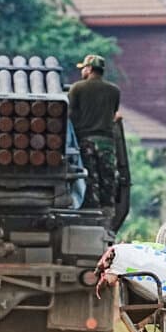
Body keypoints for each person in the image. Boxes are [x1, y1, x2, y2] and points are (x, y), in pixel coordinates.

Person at [67, 54, 121, 213]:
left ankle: (90, 208)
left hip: (86, 140)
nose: (82, 71)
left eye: (83, 68)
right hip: (107, 141)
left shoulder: (77, 88)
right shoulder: (114, 91)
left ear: (89, 69)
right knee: (108, 176)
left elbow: (69, 114)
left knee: (89, 176)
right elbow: (113, 114)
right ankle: (108, 208)